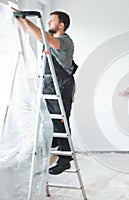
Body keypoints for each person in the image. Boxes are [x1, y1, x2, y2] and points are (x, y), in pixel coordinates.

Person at [14, 10, 77, 174]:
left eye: (51, 21)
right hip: (49, 84)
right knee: (47, 121)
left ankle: (65, 159)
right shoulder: (49, 40)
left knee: (61, 121)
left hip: (61, 86)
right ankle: (52, 148)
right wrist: (19, 18)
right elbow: (30, 31)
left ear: (61, 25)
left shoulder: (64, 41)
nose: (48, 23)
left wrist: (26, 19)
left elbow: (45, 37)